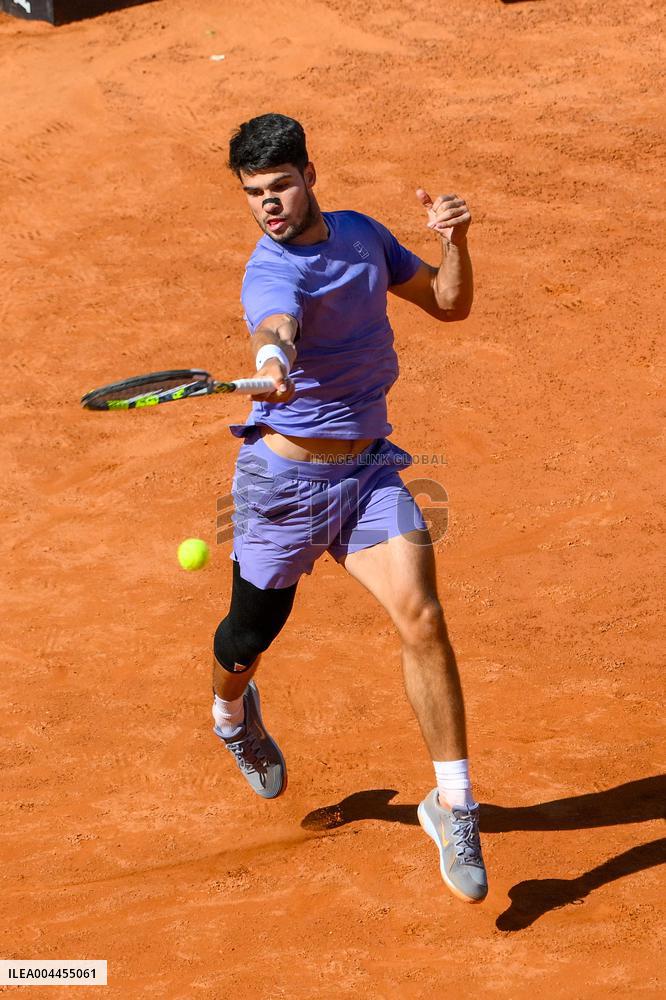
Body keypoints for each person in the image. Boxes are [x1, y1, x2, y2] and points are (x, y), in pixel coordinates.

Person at [211, 113, 487, 904]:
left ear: (310, 175)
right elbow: (276, 322)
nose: (268, 205)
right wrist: (274, 359)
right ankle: (232, 716)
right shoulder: (268, 270)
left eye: (279, 186)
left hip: (366, 475)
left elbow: (446, 302)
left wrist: (454, 241)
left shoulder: (362, 235)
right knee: (246, 640)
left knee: (423, 618)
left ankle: (455, 804)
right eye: (253, 194)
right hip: (283, 490)